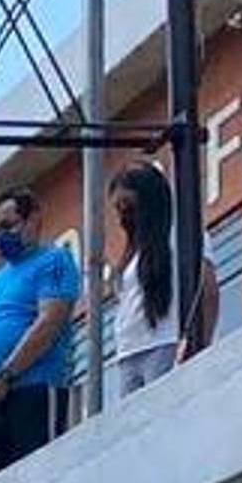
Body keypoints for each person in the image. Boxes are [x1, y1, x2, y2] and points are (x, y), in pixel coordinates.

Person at [0, 186, 81, 477]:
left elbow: (49, 322)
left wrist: (6, 374)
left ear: (33, 220)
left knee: (40, 476)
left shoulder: (53, 260)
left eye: (7, 226)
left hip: (36, 391)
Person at [104, 162, 181, 400]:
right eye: (118, 208)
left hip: (162, 341)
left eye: (127, 205)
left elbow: (207, 289)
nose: (122, 215)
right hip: (129, 349)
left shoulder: (176, 235)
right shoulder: (133, 252)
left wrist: (197, 344)